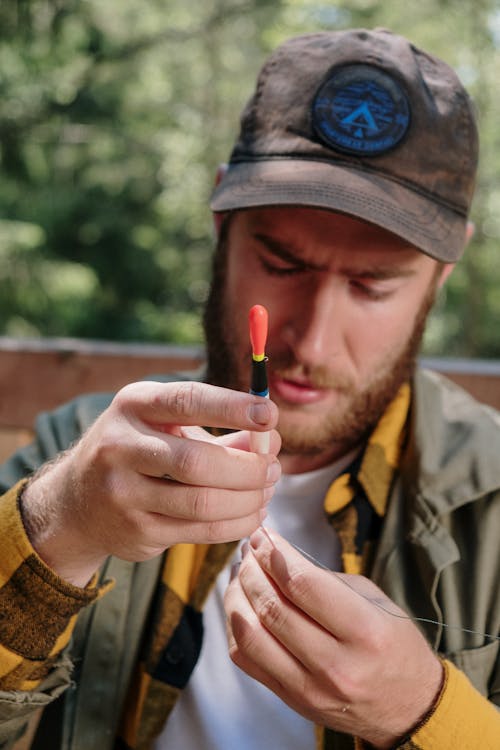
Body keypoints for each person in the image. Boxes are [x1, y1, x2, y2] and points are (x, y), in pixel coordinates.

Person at [0, 27, 498, 750]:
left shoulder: (490, 503)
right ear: (221, 224)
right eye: (282, 263)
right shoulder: (77, 457)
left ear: (441, 279)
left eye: (371, 286)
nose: (310, 342)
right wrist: (60, 528)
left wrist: (422, 710)